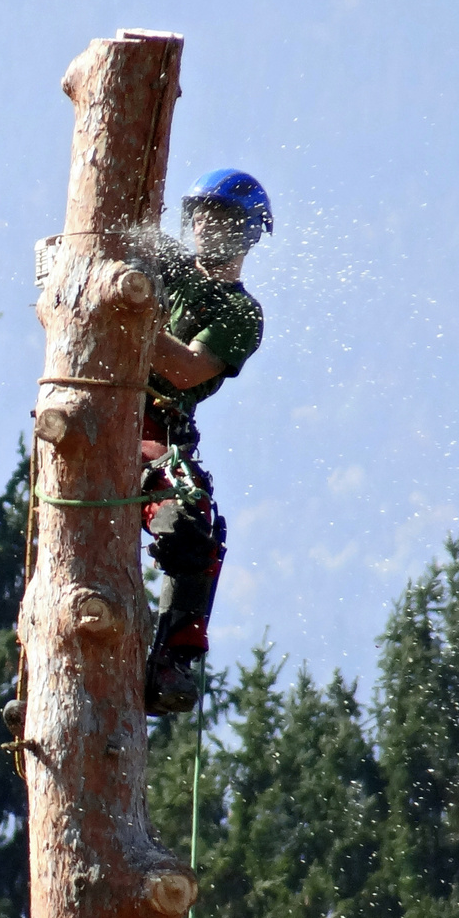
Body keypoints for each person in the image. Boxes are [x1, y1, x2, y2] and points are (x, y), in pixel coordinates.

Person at [141, 169, 272, 716]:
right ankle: (35, 677)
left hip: (156, 432)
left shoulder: (240, 312)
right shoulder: (165, 262)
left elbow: (189, 367)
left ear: (245, 233)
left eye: (218, 217)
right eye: (198, 213)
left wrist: (127, 318)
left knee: (193, 525)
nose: (202, 224)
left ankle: (172, 660)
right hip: (97, 411)